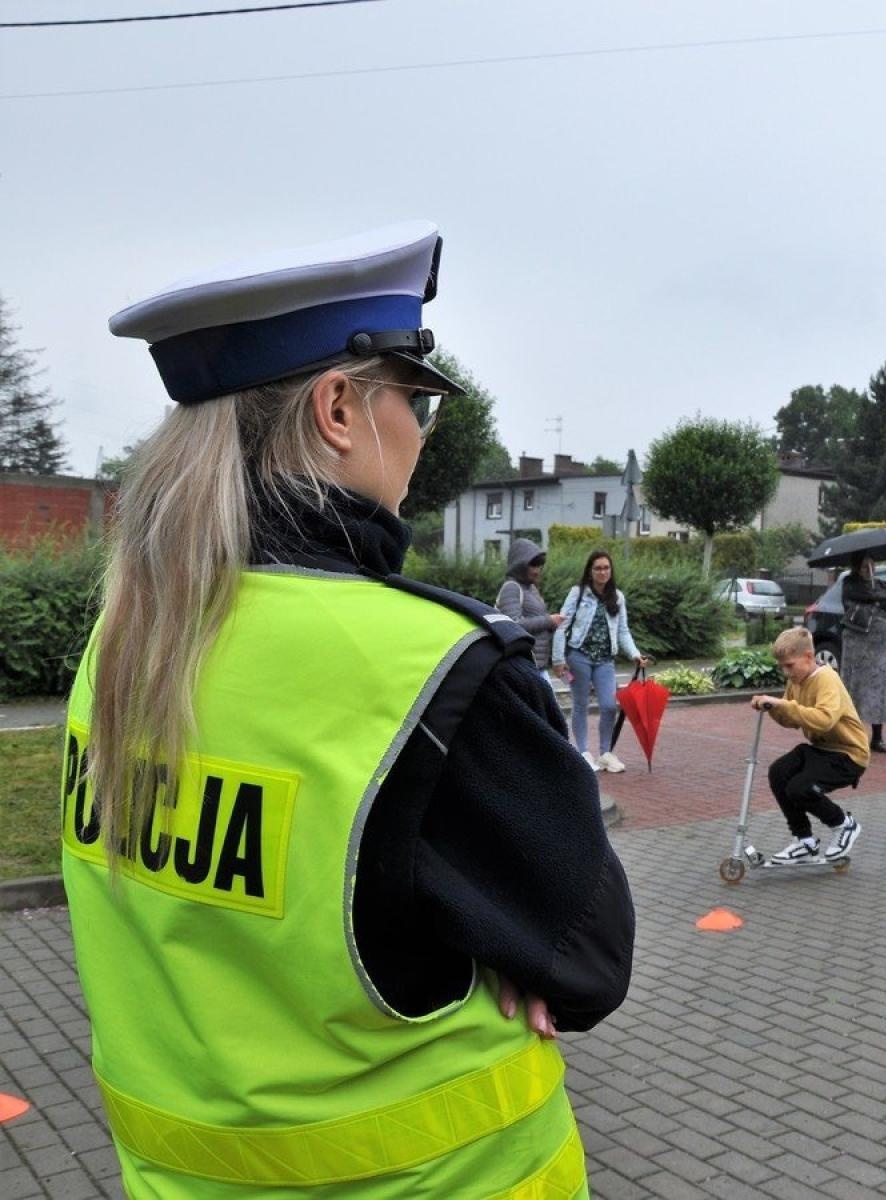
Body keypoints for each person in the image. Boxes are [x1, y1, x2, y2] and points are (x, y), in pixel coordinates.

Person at [63, 221, 633, 1198]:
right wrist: (483, 941)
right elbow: (586, 962)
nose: (421, 430)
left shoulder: (126, 644)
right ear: (338, 408)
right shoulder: (435, 665)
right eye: (416, 401)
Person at [752, 627, 869, 864]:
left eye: (789, 665)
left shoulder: (827, 679)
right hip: (822, 749)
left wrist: (781, 704)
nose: (786, 672)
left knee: (799, 787)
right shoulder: (797, 680)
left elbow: (824, 720)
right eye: (782, 667)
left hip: (849, 755)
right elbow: (791, 720)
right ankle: (804, 841)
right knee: (779, 772)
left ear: (807, 657)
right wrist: (773, 708)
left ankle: (844, 825)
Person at [553, 549, 649, 772]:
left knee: (609, 705)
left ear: (611, 570)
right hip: (579, 657)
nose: (602, 572)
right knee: (581, 704)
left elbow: (623, 631)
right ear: (590, 571)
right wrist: (558, 659)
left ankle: (605, 753)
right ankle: (583, 752)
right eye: (598, 568)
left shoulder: (617, 597)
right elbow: (562, 626)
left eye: (606, 568)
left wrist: (635, 654)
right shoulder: (577, 594)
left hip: (605, 660)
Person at [839, 551, 886, 752]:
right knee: (856, 689)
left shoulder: (882, 585)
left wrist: (877, 602)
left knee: (879, 690)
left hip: (880, 648)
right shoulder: (849, 584)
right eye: (864, 565)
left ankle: (877, 738)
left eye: (872, 564)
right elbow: (860, 601)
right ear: (856, 567)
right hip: (857, 647)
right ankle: (852, 735)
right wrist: (880, 603)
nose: (869, 569)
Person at [496, 538, 565, 679]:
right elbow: (512, 625)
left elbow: (537, 626)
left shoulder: (531, 588)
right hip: (522, 666)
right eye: (533, 565)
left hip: (537, 665)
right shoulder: (511, 588)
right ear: (519, 564)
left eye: (540, 565)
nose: (537, 570)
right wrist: (549, 621)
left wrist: (553, 625)